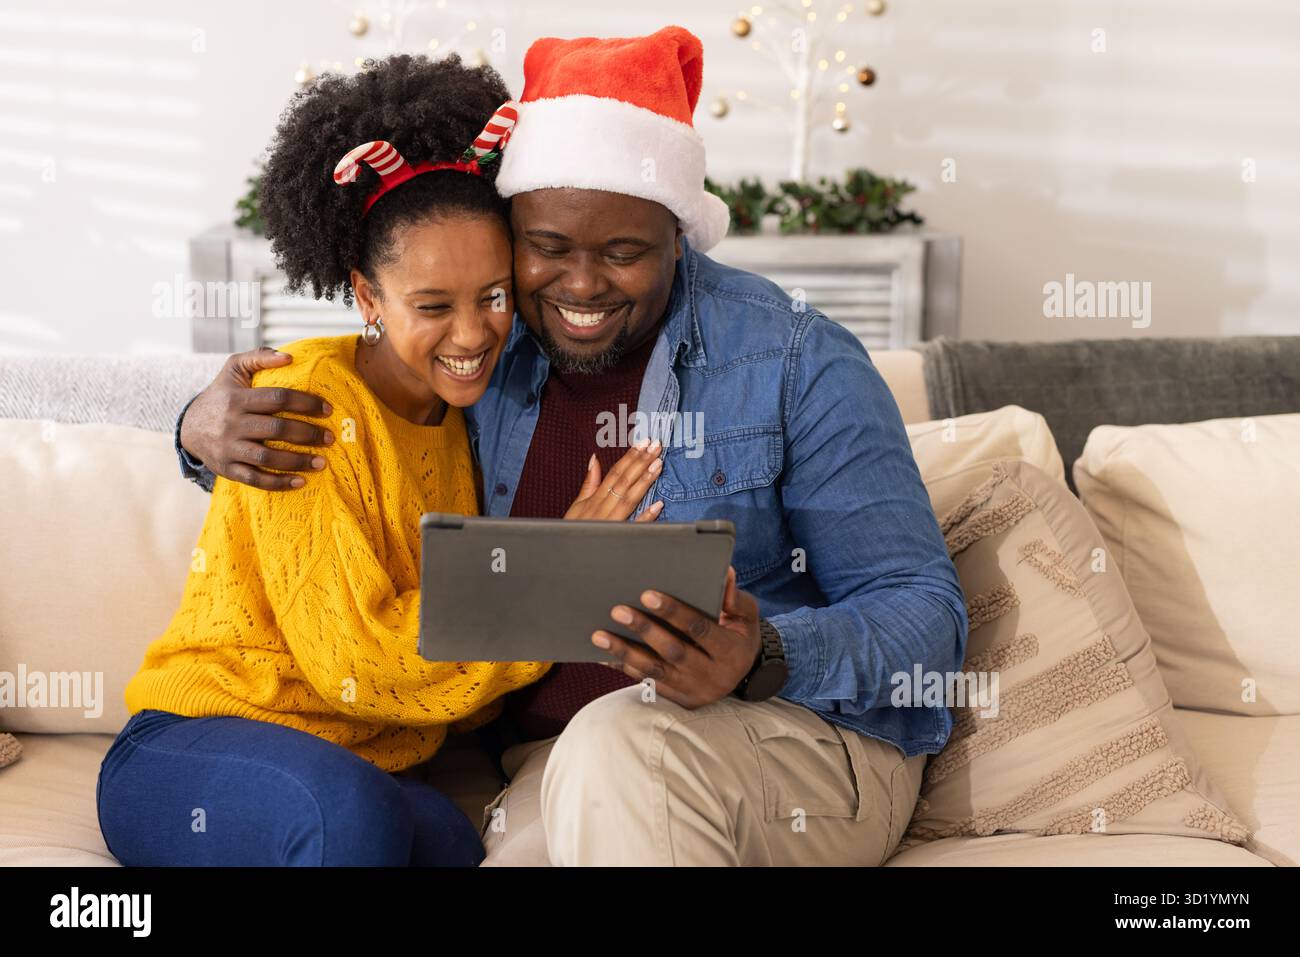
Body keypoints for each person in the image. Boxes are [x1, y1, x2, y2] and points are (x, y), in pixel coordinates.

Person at [174, 27, 969, 866]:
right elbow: (358, 407)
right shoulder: (485, 341)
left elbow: (926, 611)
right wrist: (197, 427)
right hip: (553, 759)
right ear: (511, 231)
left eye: (623, 253)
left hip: (785, 737)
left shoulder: (796, 358)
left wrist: (763, 656)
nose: (582, 285)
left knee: (618, 747)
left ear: (678, 234)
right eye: (549, 249)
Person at [96, 53, 665, 867]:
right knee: (352, 820)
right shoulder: (305, 402)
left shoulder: (469, 421)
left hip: (357, 767)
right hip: (193, 749)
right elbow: (357, 660)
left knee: (447, 844)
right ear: (368, 296)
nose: (472, 334)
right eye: (432, 305)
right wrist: (557, 573)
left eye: (493, 296)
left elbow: (454, 697)